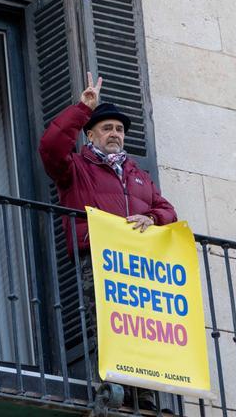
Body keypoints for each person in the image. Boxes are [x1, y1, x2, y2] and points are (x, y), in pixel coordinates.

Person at [38, 72, 177, 409]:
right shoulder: (76, 168)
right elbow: (50, 147)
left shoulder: (138, 175)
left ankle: (142, 396)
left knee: (142, 327)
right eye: (106, 128)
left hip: (139, 263)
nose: (115, 134)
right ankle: (113, 390)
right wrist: (84, 108)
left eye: (119, 130)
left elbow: (167, 211)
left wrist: (152, 218)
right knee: (107, 323)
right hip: (98, 257)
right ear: (90, 134)